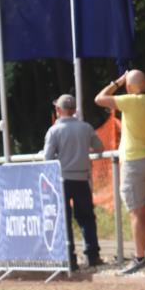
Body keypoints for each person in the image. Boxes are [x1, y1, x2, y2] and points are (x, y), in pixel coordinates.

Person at [94, 69, 145, 275]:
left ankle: (139, 258)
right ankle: (142, 256)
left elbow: (99, 99)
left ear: (129, 86)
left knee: (136, 213)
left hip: (133, 163)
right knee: (144, 211)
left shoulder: (129, 101)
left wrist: (116, 81)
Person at [43, 94, 104, 271]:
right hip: (82, 178)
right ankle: (92, 255)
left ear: (58, 110)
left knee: (65, 219)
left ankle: (70, 258)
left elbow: (47, 157)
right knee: (86, 218)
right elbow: (99, 147)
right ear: (74, 109)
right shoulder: (85, 128)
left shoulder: (54, 131)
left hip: (62, 180)